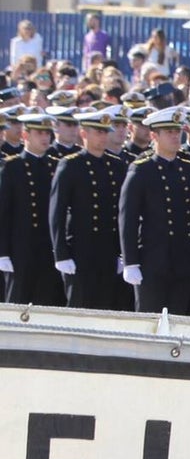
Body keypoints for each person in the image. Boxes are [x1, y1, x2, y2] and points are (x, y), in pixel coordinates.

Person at [118, 106, 190, 314]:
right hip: (151, 262)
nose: (175, 136)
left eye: (177, 131)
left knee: (178, 320)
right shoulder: (141, 170)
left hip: (183, 260)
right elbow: (128, 219)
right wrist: (130, 262)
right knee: (150, 320)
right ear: (154, 136)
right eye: (169, 132)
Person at [48, 107, 128, 310]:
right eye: (98, 132)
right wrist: (61, 254)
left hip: (108, 250)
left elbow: (121, 213)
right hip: (80, 252)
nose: (103, 137)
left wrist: (122, 254)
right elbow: (57, 213)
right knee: (80, 308)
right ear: (84, 133)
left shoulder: (116, 166)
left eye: (105, 131)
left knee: (107, 308)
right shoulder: (70, 165)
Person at [0, 112, 64, 306]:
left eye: (47, 133)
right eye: (39, 133)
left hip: (48, 248)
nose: (45, 137)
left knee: (47, 302)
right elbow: (3, 212)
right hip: (20, 249)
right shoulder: (12, 167)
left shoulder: (55, 165)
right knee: (18, 301)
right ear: (26, 136)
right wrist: (2, 252)